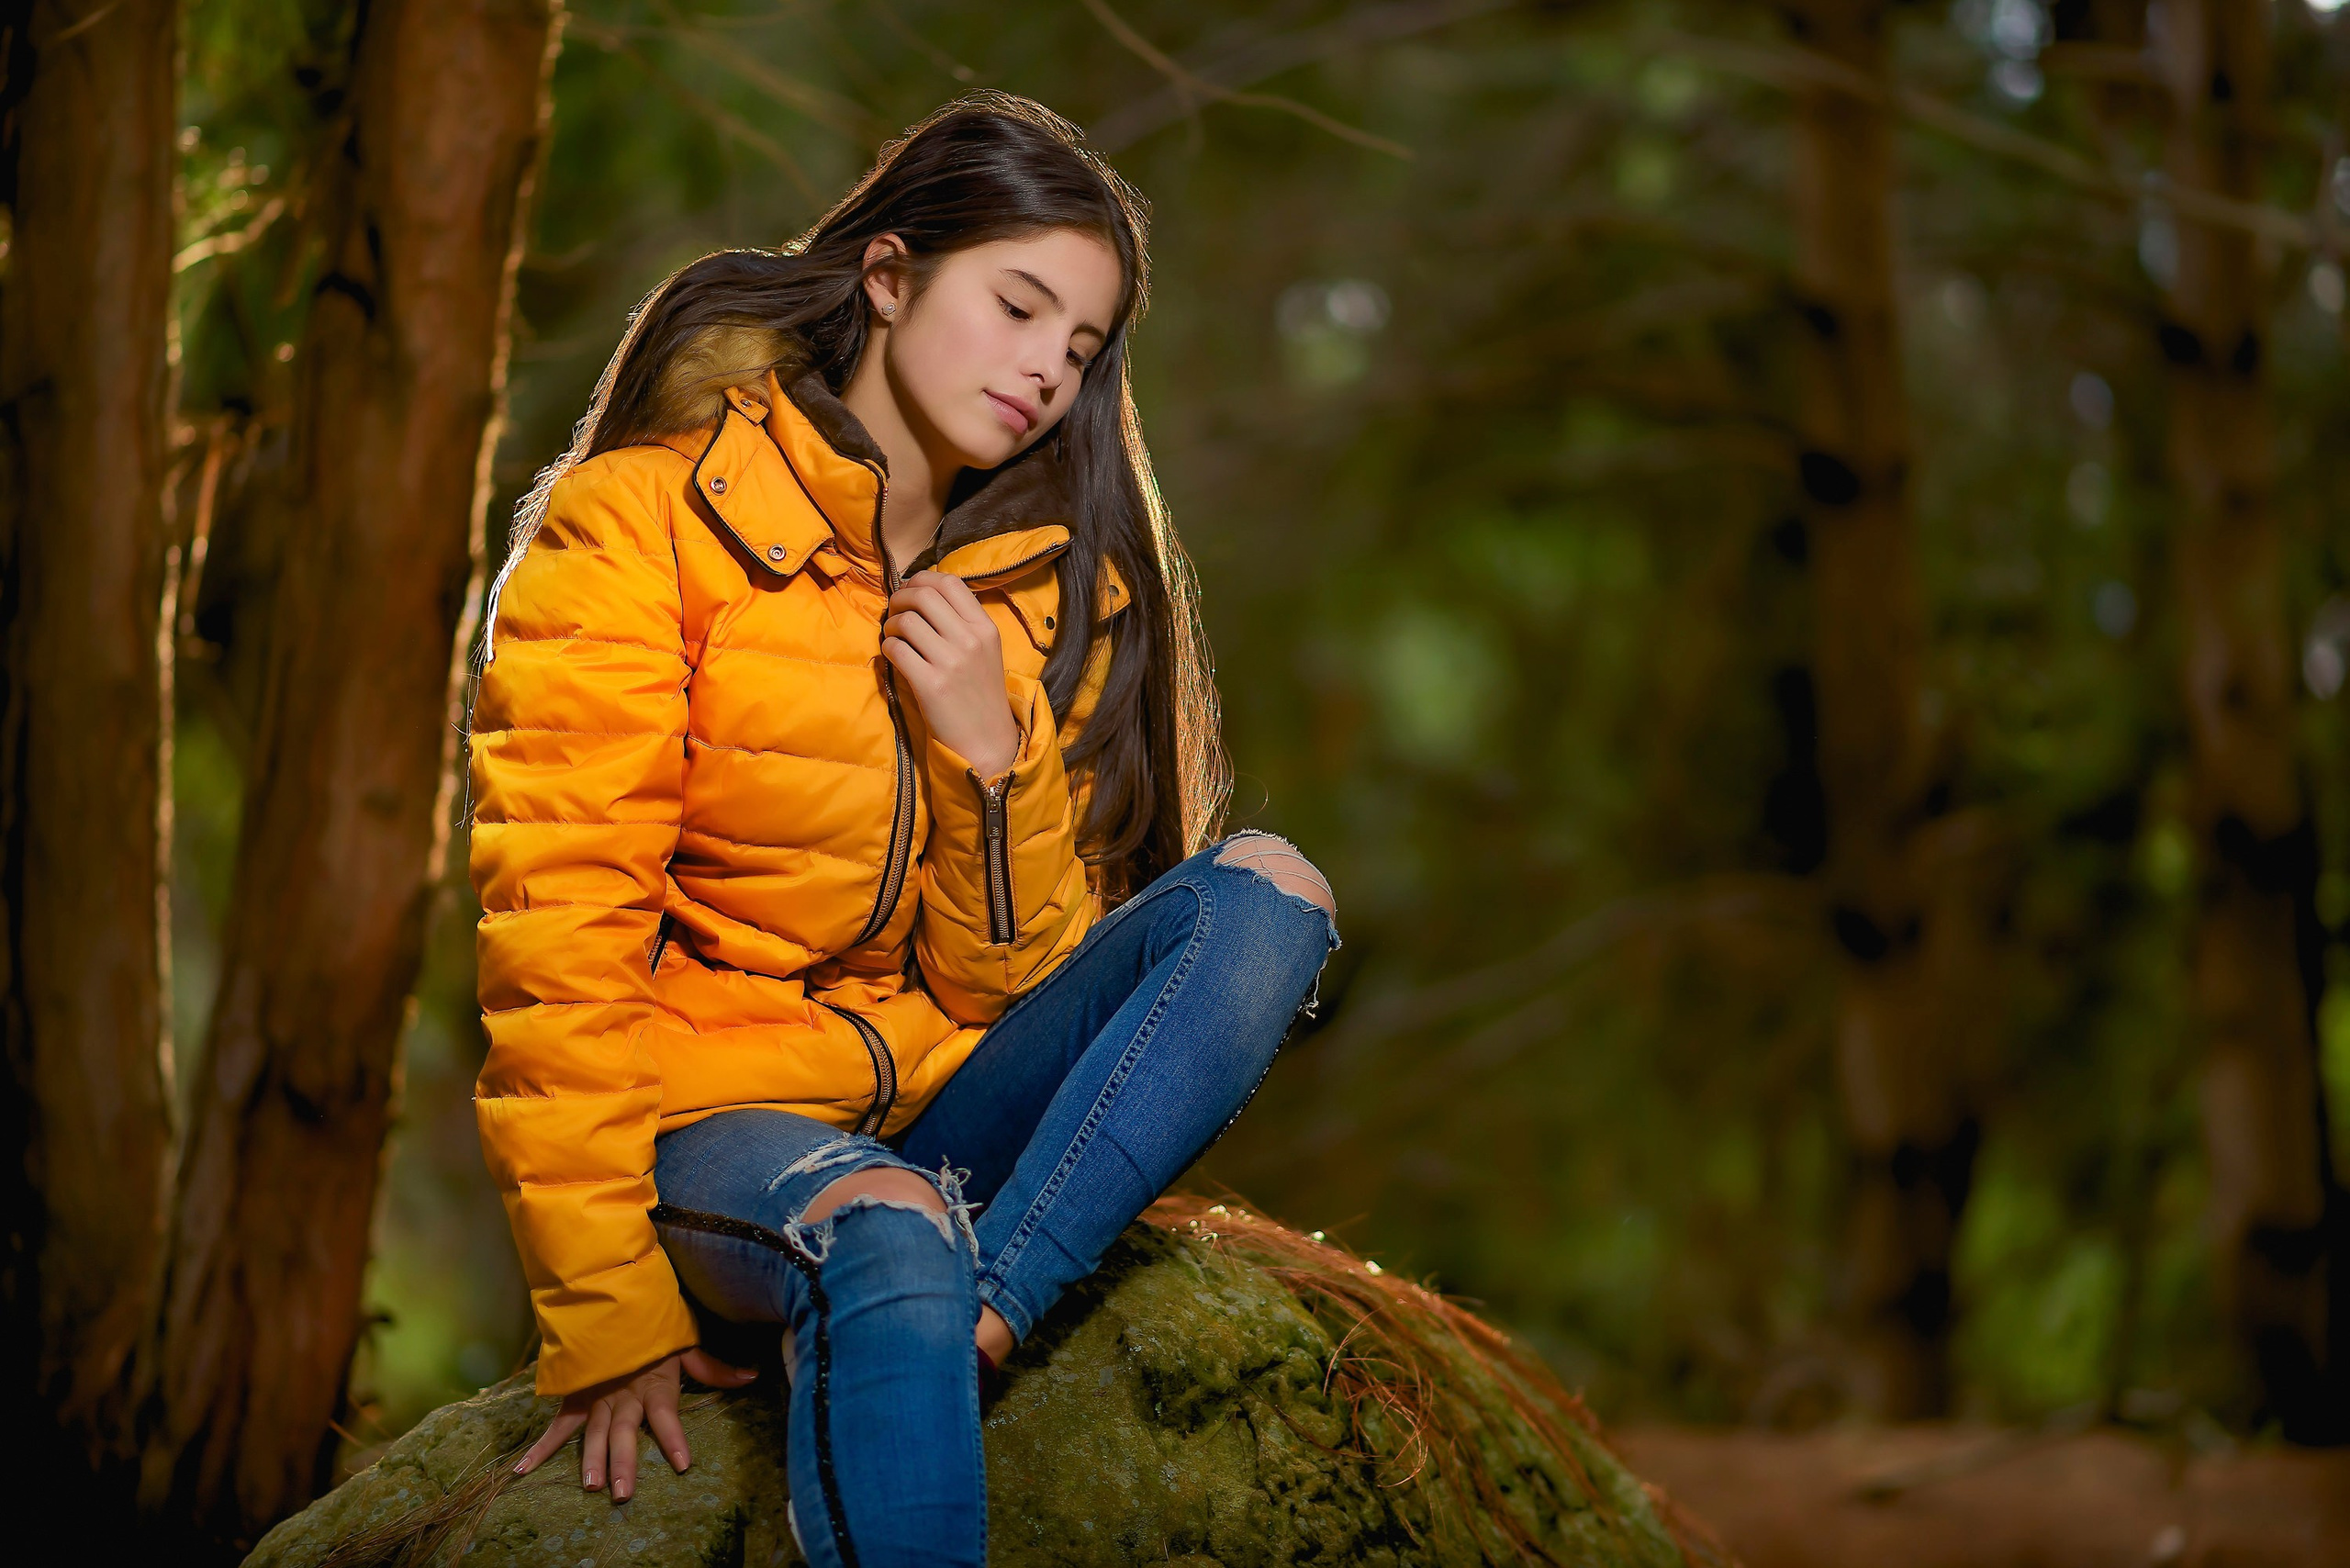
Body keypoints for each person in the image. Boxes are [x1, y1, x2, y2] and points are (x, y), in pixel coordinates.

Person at [468, 94, 1337, 1568]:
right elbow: (556, 939)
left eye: (1077, 348)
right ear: (887, 275)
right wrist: (606, 1319)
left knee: (1268, 891)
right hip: (712, 1124)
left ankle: (983, 1307)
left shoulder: (1043, 600)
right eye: (1016, 306)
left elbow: (1006, 992)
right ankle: (914, 1278)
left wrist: (986, 762)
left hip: (940, 1109)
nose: (1044, 373)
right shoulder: (639, 526)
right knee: (882, 1220)